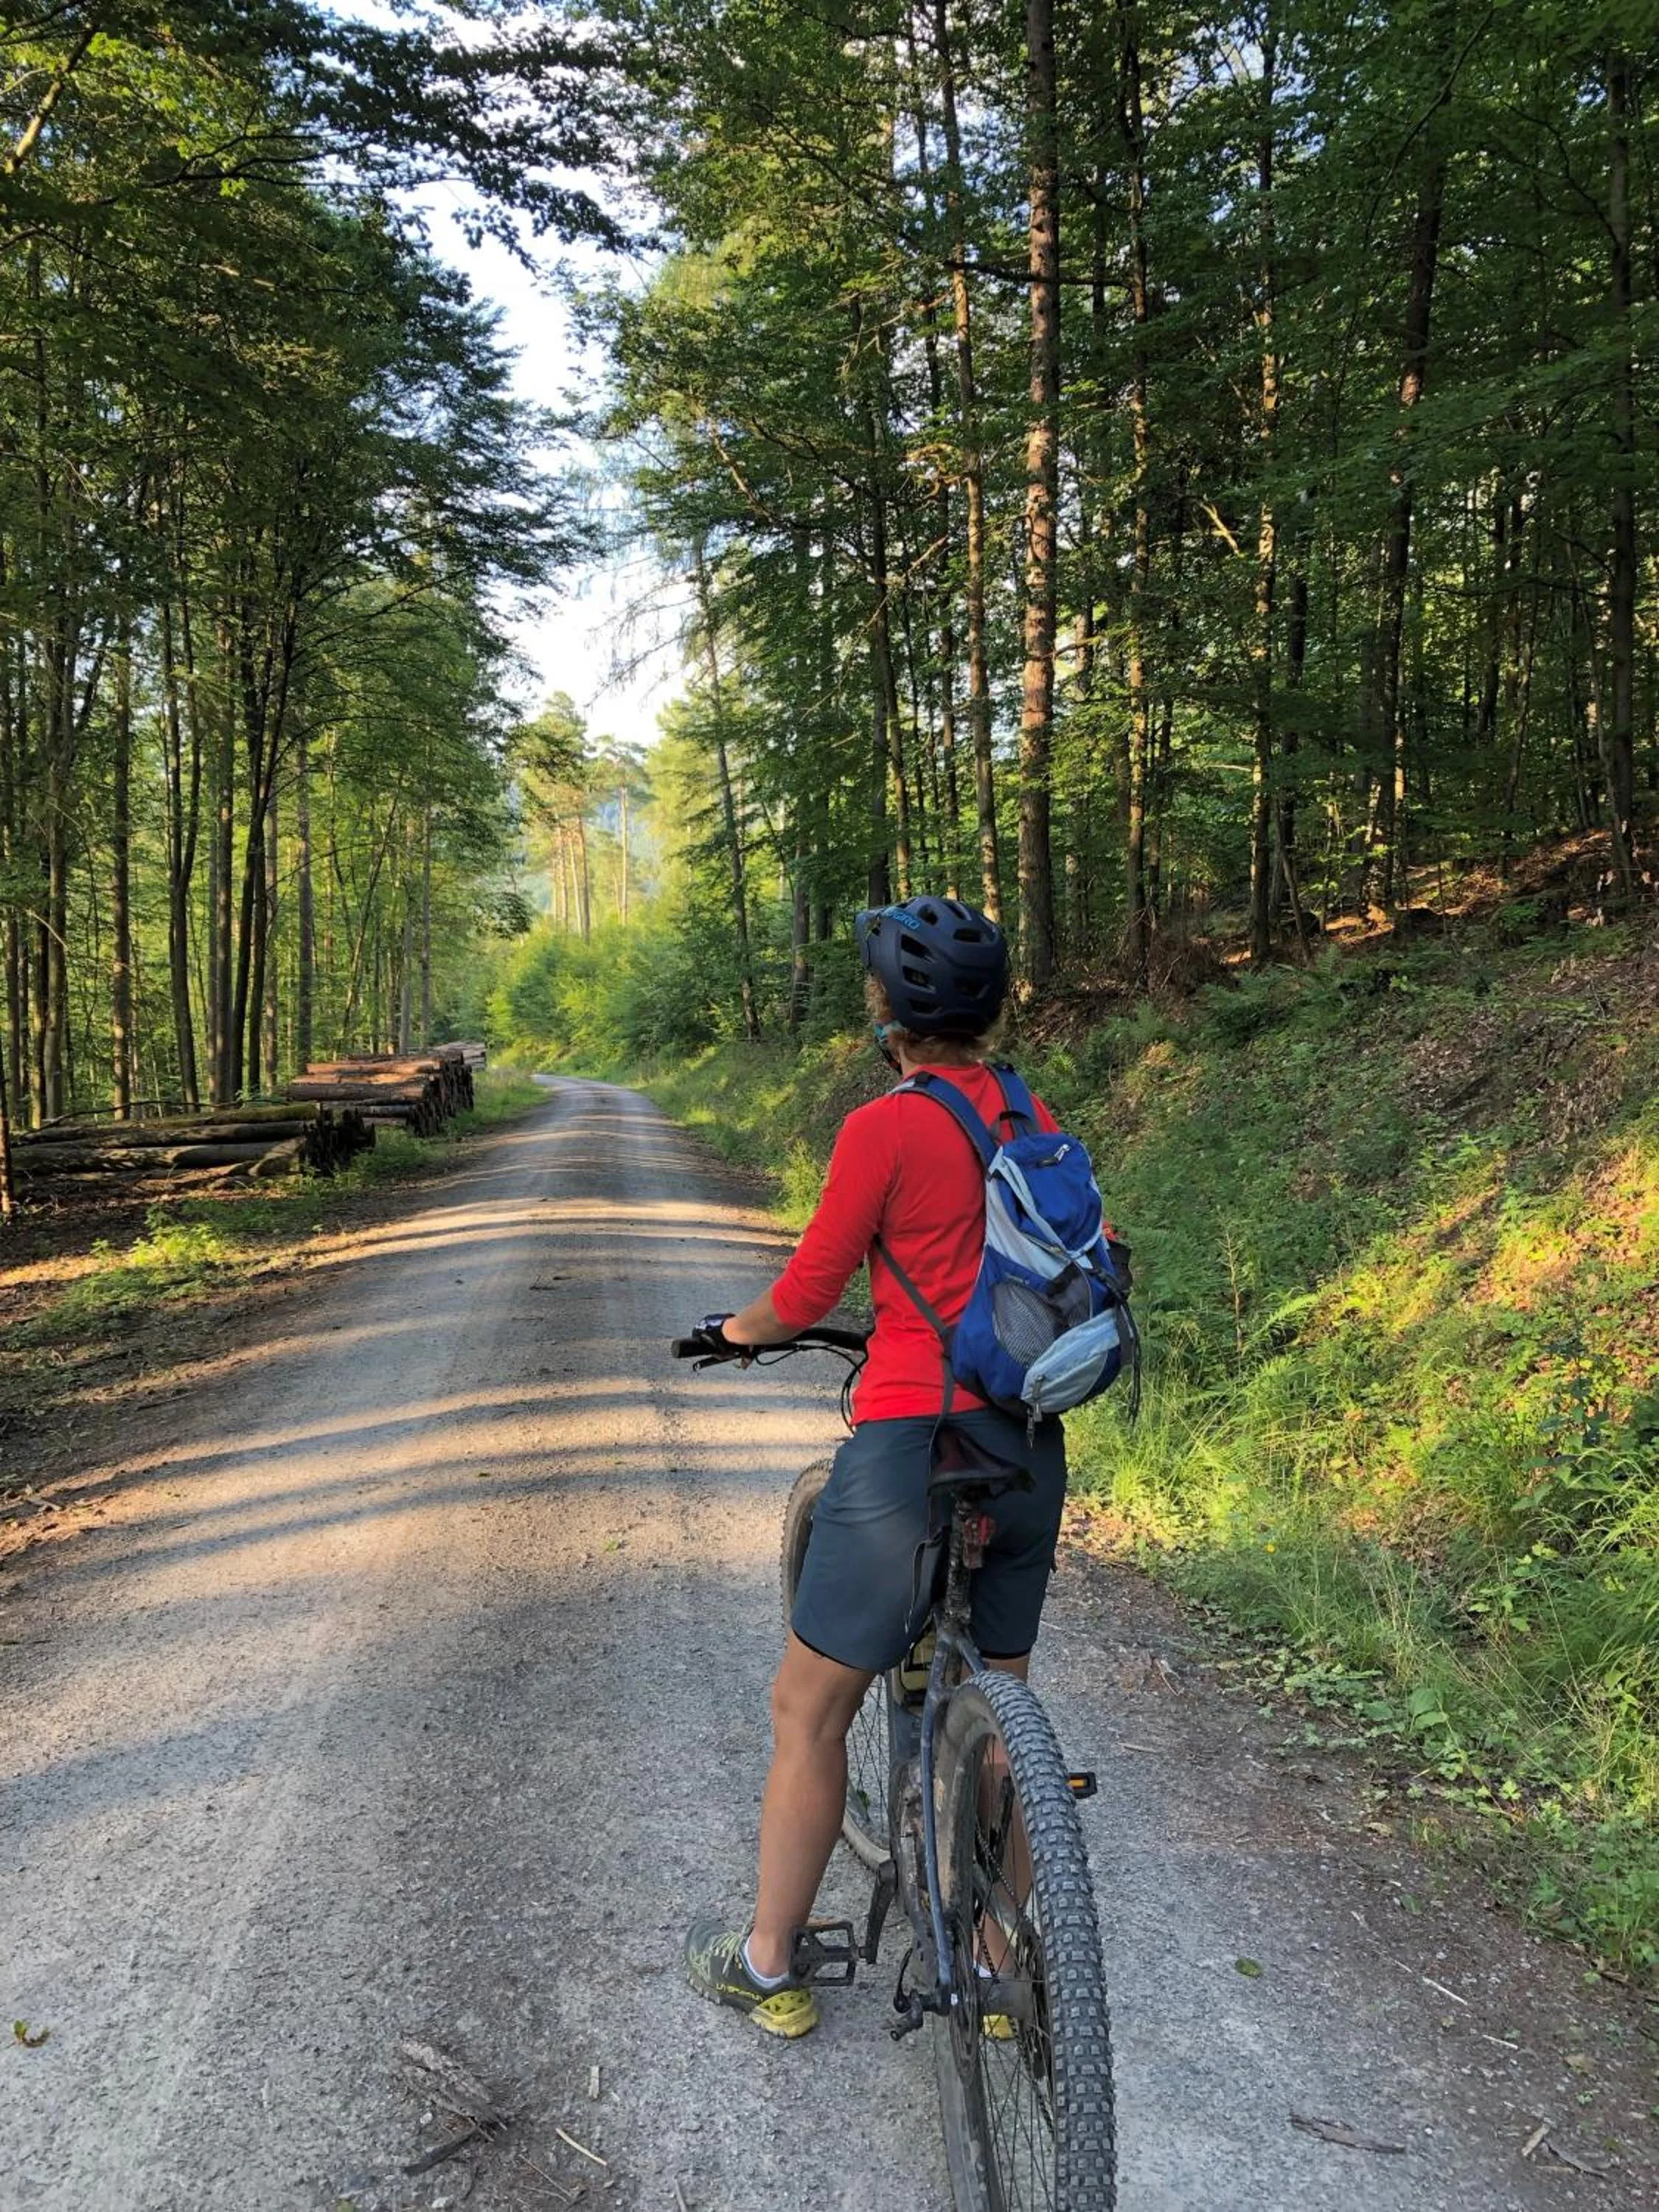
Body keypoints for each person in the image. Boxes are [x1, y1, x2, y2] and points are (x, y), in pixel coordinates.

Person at [684, 896, 1070, 2039]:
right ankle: (997, 1971)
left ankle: (766, 1966)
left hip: (913, 1440)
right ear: (991, 1010)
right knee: (1005, 1708)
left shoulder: (884, 1127)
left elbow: (806, 1295)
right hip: (1027, 1441)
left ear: (887, 1012)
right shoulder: (1026, 1110)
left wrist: (732, 1332)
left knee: (806, 1706)